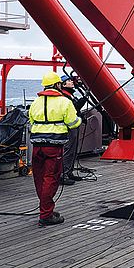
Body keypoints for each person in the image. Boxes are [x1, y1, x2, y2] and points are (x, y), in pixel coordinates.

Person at [29, 71, 82, 226]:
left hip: (37, 146)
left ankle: (45, 209)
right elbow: (72, 123)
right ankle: (46, 214)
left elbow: (31, 120)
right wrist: (79, 120)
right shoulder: (64, 102)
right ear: (58, 85)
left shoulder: (36, 102)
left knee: (39, 178)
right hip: (54, 146)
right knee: (51, 179)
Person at [60, 74, 87, 186]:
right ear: (63, 84)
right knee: (68, 150)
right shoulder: (65, 97)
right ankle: (63, 174)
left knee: (73, 150)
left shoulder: (69, 95)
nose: (72, 82)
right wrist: (84, 99)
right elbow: (74, 108)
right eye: (69, 81)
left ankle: (69, 172)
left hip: (72, 126)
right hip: (68, 127)